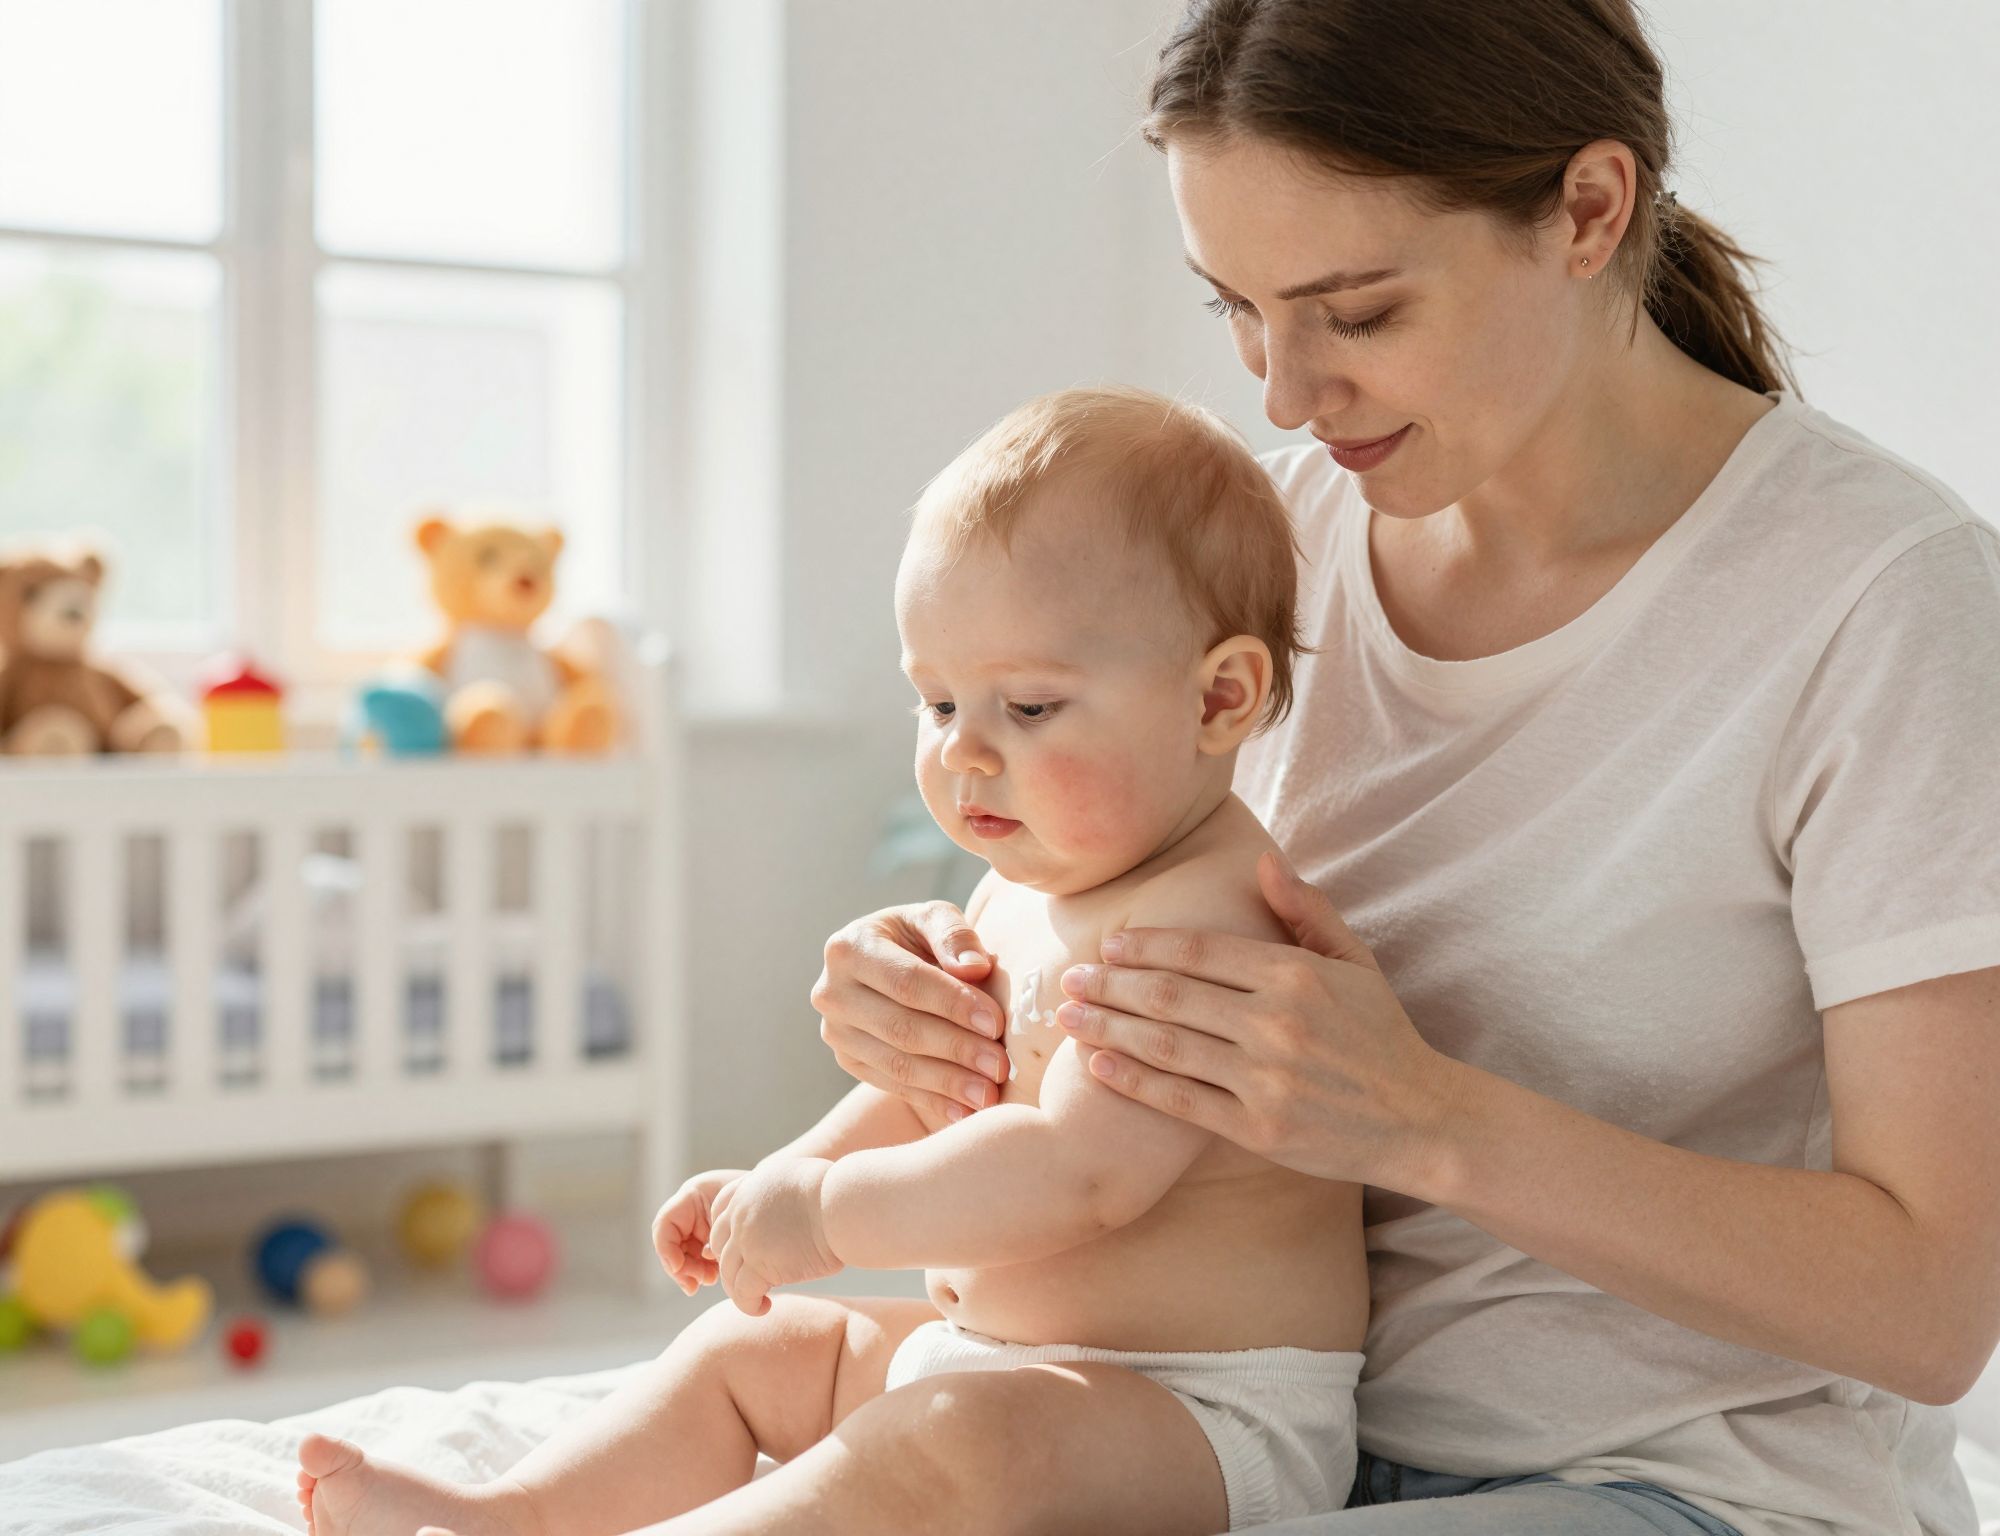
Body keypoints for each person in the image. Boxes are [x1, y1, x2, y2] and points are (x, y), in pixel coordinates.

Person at [385, 1, 2000, 1532]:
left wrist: (1430, 1121)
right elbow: (1094, 944)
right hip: (1231, 1443)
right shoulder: (1268, 547)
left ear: (1588, 211)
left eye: (1355, 312)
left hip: (1674, 1487)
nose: (1280, 387)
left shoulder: (1874, 599)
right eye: (1236, 309)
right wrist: (937, 1010)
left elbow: (1928, 1301)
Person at [293, 385, 1378, 1536]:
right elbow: (931, 1094)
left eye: (1028, 705)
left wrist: (822, 1214)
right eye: (936, 698)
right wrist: (778, 1180)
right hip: (1004, 1366)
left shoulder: (1201, 929)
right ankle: (512, 1514)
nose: (963, 747)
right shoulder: (1027, 884)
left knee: (946, 1443)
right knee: (754, 1345)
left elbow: (1077, 1174)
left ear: (1218, 697)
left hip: (1200, 1421)